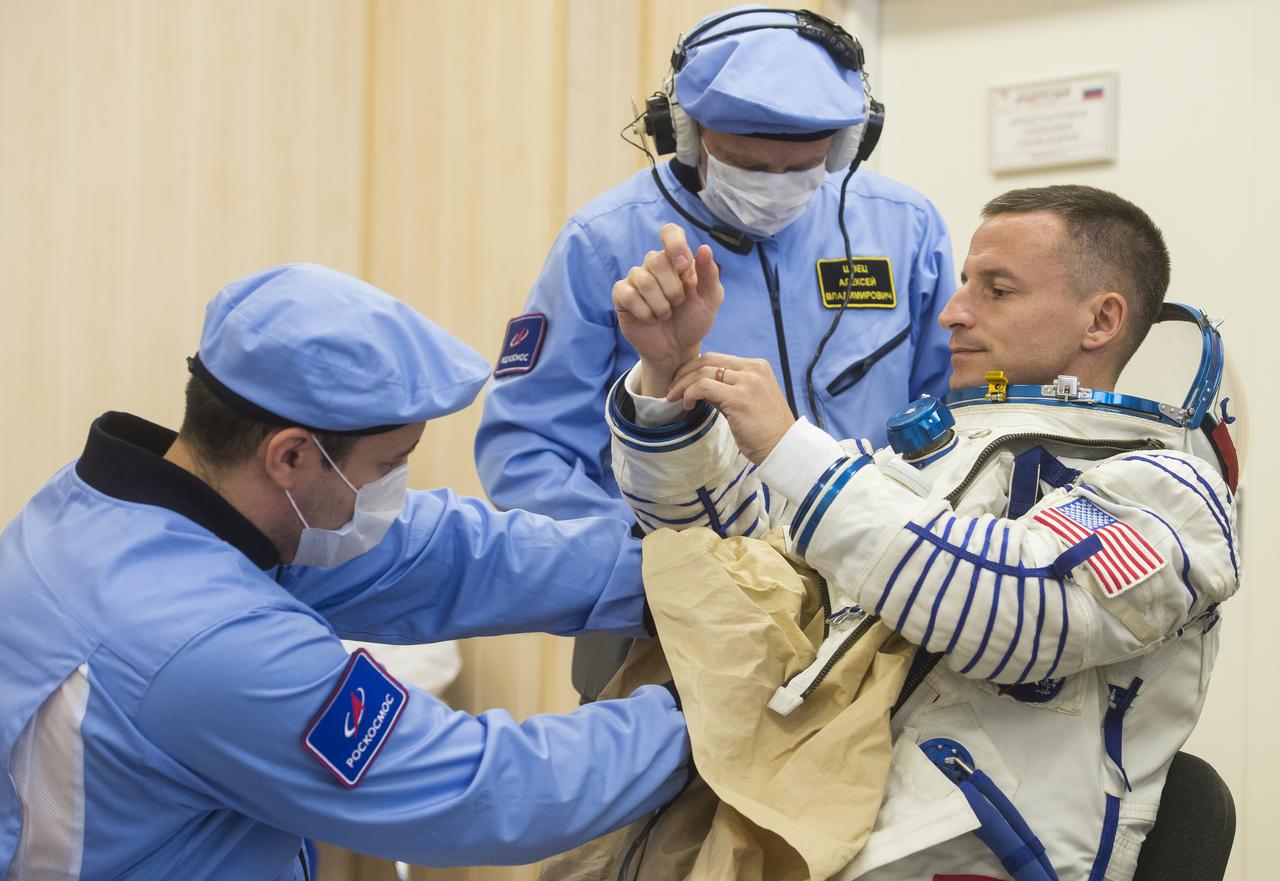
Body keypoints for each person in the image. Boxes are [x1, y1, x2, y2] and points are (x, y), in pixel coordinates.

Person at [604, 186, 1241, 880]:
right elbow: (737, 565)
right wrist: (667, 384)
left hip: (967, 855)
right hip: (823, 821)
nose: (953, 312)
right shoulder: (924, 468)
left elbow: (1020, 608)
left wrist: (793, 449)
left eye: (996, 290)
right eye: (966, 282)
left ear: (1101, 320)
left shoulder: (1168, 490)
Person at [0, 264, 690, 881]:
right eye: (388, 466)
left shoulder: (123, 510)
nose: (395, 490)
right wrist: (703, 717)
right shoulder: (204, 643)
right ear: (291, 456)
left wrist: (672, 574)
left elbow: (443, 556)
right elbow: (472, 790)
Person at [475, 4, 955, 699]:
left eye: (804, 164)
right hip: (665, 625)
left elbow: (955, 411)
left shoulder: (902, 228)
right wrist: (662, 571)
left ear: (851, 143)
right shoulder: (603, 241)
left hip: (872, 610)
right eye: (751, 164)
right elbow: (524, 450)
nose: (777, 186)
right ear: (688, 135)